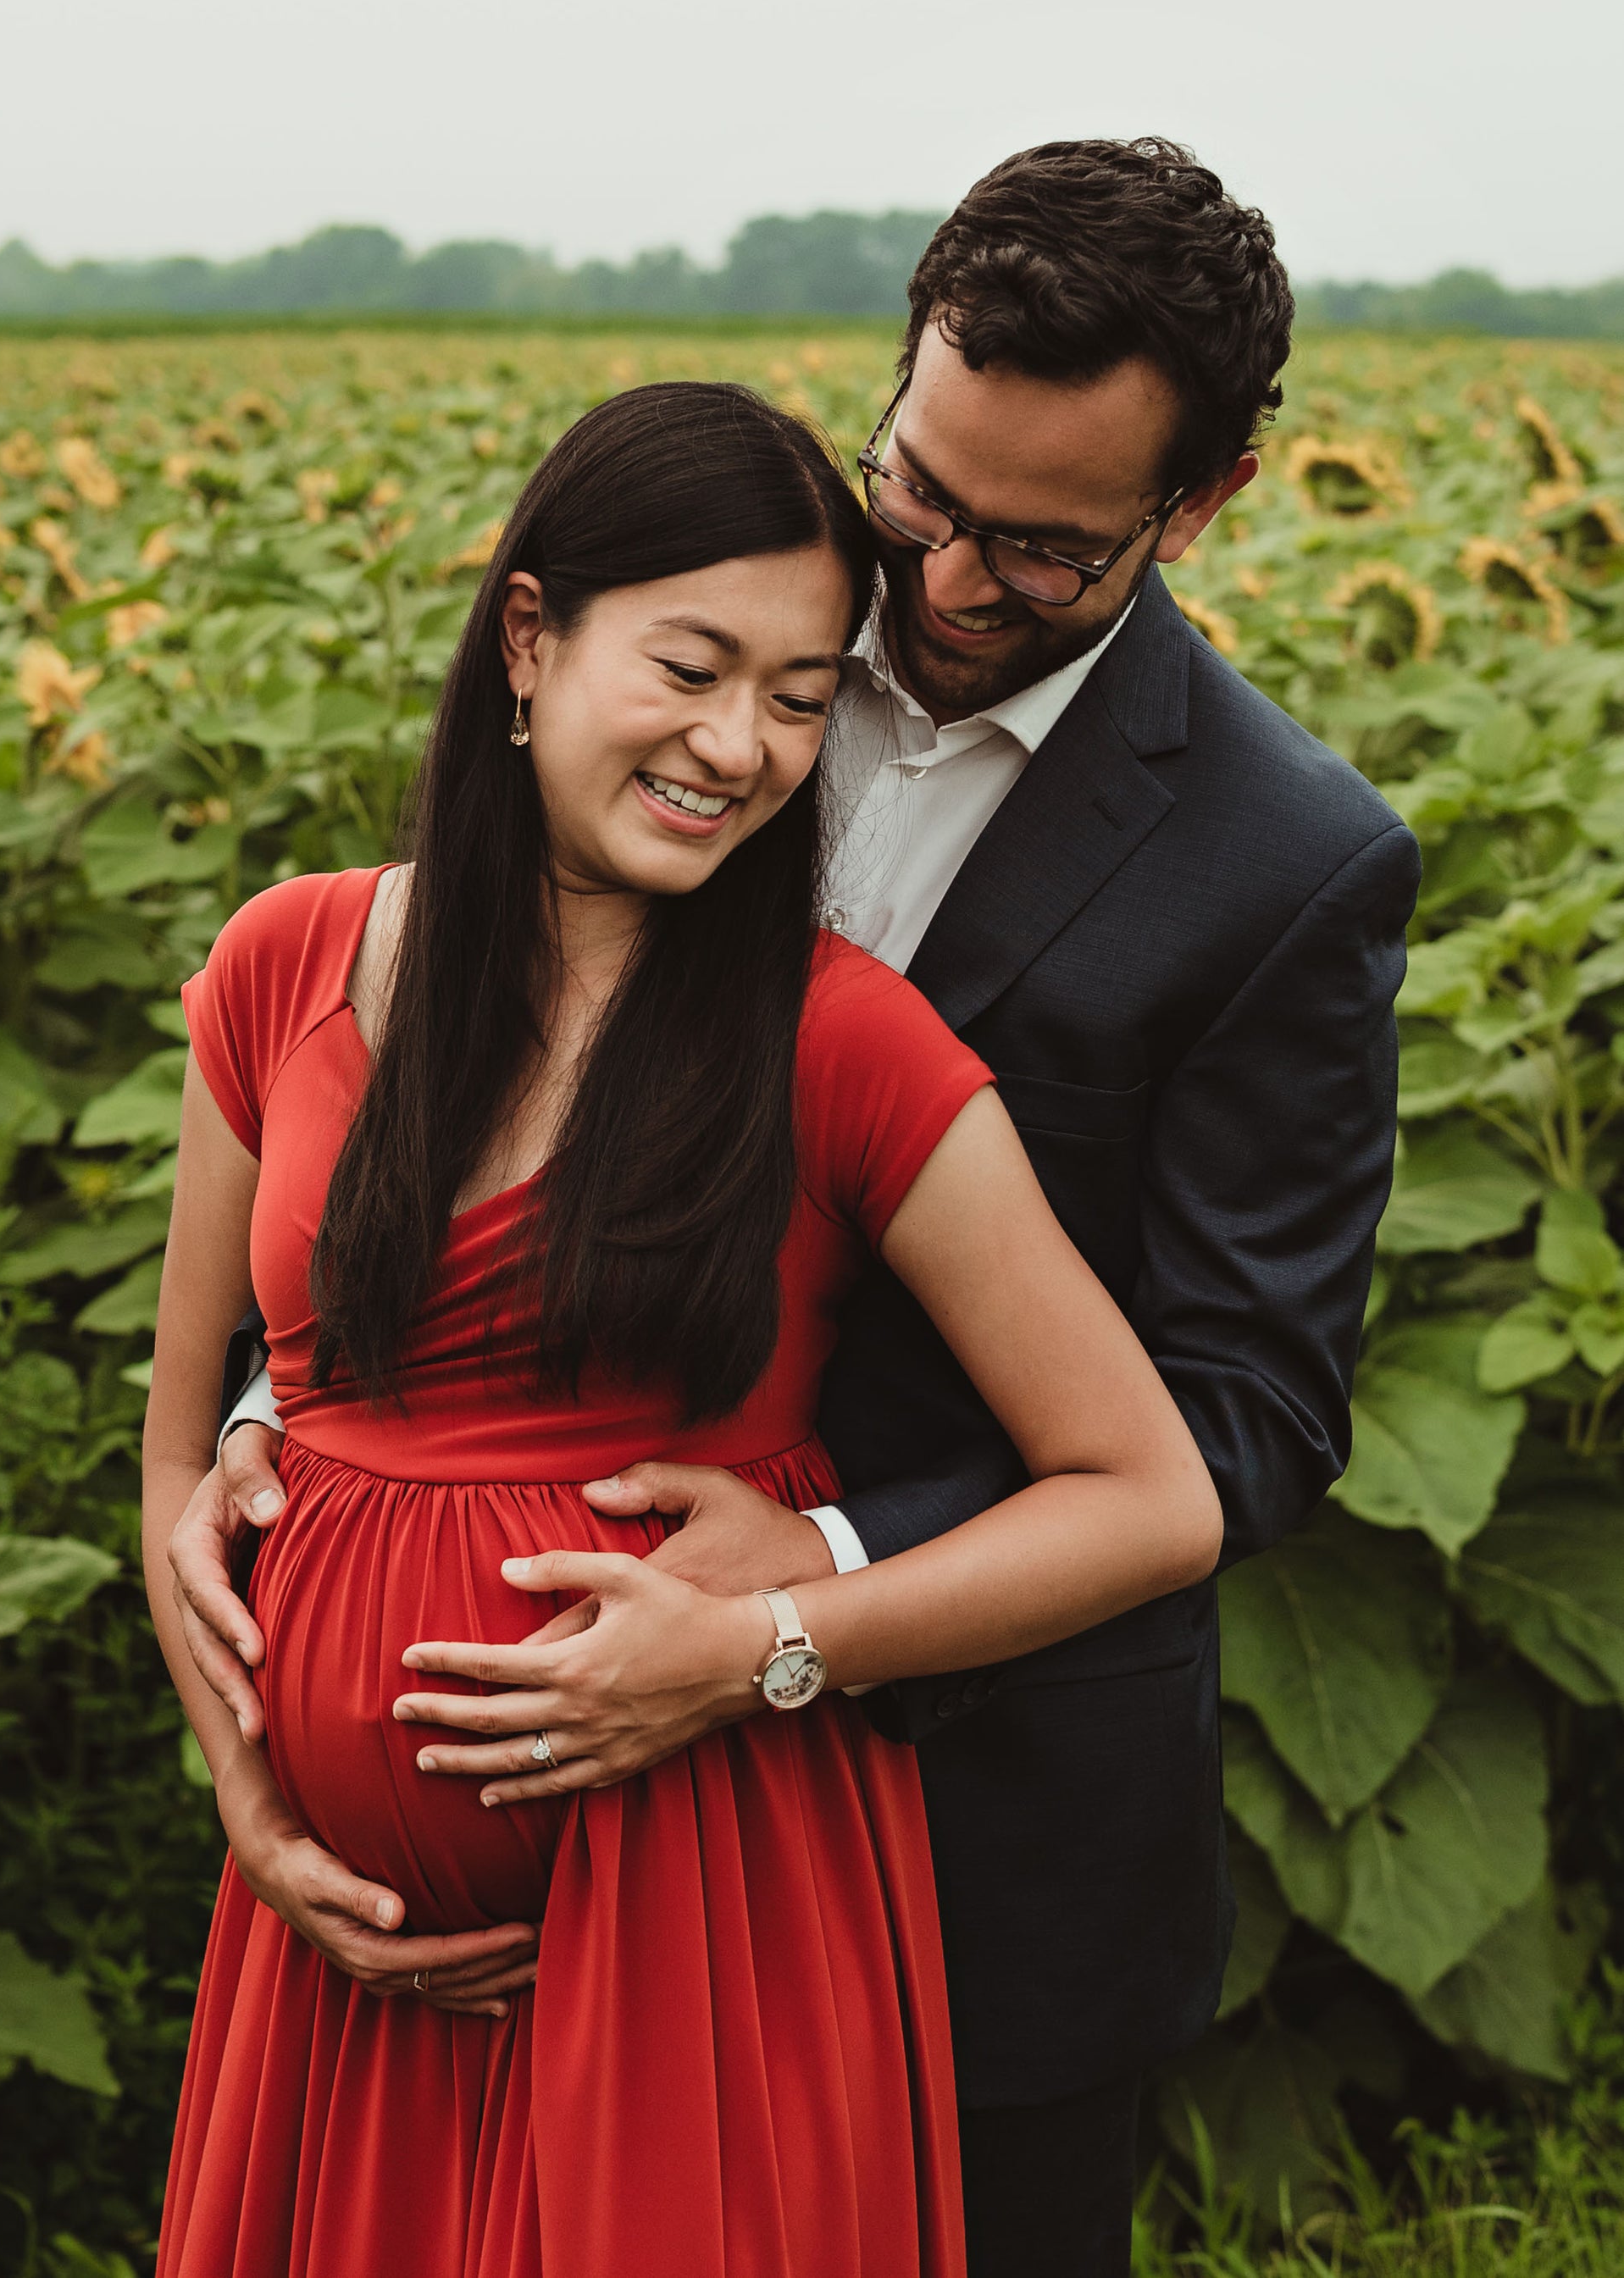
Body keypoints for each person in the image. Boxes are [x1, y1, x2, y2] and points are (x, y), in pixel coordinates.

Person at [175, 140, 1422, 2275]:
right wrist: (282, 1434)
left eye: (1038, 548)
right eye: (919, 492)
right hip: (469, 1880)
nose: (937, 587)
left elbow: (1238, 1419)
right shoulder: (735, 634)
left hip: (973, 1795)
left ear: (1193, 507)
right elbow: (434, 1079)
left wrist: (806, 1583)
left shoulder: (1280, 858)